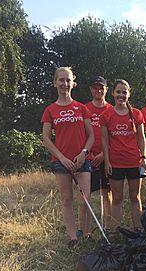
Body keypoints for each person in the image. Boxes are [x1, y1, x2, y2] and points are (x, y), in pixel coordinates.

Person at [41, 67, 94, 248]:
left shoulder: (82, 108)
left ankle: (85, 234)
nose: (65, 84)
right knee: (66, 199)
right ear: (55, 82)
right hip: (61, 162)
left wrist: (83, 153)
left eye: (68, 80)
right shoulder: (50, 110)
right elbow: (46, 138)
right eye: (61, 80)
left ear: (73, 83)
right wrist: (62, 158)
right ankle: (73, 237)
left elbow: (91, 136)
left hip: (82, 160)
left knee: (85, 199)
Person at [100, 79, 146, 229]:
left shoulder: (136, 114)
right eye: (118, 92)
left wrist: (143, 158)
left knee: (135, 197)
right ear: (113, 93)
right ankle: (116, 232)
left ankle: (138, 230)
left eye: (124, 92)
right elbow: (104, 140)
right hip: (115, 162)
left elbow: (141, 137)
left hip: (134, 161)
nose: (121, 95)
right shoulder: (106, 115)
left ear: (128, 94)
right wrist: (107, 161)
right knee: (117, 198)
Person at [85, 75, 113, 231]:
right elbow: (81, 135)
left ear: (106, 90)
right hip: (89, 158)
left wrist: (104, 154)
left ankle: (107, 228)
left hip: (107, 157)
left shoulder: (111, 109)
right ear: (91, 89)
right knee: (88, 195)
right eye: (95, 88)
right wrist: (87, 154)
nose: (98, 90)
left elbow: (115, 136)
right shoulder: (85, 109)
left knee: (107, 193)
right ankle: (88, 229)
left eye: (101, 87)